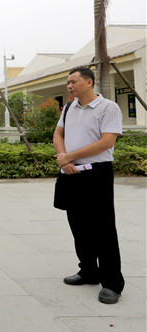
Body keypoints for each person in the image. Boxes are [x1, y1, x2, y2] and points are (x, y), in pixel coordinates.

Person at [53, 66, 124, 304]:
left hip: (97, 173)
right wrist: (65, 160)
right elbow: (58, 135)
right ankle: (88, 271)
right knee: (78, 225)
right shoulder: (69, 108)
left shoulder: (108, 108)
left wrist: (70, 156)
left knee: (103, 228)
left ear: (89, 82)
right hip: (71, 173)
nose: (69, 86)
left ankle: (112, 283)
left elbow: (107, 142)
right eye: (68, 82)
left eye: (73, 82)